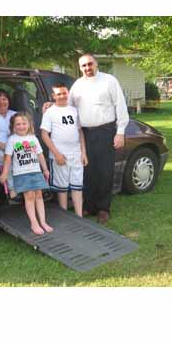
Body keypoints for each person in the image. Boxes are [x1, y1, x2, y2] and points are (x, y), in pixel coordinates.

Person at [42, 54, 129, 224]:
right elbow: (68, 105)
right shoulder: (77, 85)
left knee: (105, 171)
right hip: (85, 133)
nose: (87, 68)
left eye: (90, 64)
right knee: (87, 170)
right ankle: (89, 205)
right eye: (83, 66)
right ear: (80, 68)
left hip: (106, 130)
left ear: (96, 64)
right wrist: (51, 105)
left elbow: (120, 105)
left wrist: (120, 132)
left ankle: (103, 208)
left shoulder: (109, 81)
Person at [0, 112, 53, 235]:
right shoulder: (12, 140)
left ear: (29, 124)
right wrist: (4, 174)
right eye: (18, 124)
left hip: (36, 171)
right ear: (13, 126)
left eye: (24, 123)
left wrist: (45, 169)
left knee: (39, 196)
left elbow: (40, 155)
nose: (21, 126)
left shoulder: (33, 138)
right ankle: (34, 223)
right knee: (29, 197)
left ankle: (43, 222)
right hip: (22, 173)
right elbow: (7, 158)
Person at [40, 82, 88, 217]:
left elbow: (80, 132)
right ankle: (65, 217)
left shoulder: (74, 110)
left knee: (77, 187)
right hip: (59, 156)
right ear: (53, 96)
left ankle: (79, 216)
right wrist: (57, 154)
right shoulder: (50, 112)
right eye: (58, 94)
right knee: (62, 189)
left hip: (76, 155)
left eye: (64, 93)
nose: (62, 96)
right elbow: (44, 134)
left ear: (68, 93)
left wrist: (83, 153)